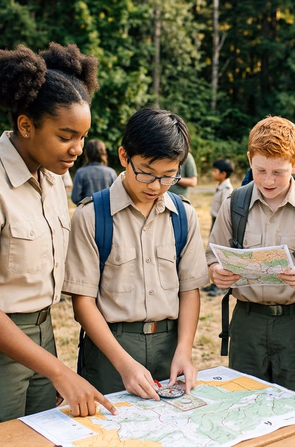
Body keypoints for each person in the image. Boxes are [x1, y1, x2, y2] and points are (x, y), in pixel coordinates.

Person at [0, 42, 116, 436]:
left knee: (38, 439)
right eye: (66, 136)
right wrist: (61, 373)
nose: (78, 150)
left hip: (39, 336)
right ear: (26, 125)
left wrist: (50, 363)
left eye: (83, 136)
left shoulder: (52, 177)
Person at [64, 108, 208, 398]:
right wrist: (124, 364)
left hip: (169, 346)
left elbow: (190, 290)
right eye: (146, 173)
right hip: (110, 351)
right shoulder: (91, 216)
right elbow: (83, 303)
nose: (156, 186)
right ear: (124, 156)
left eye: (169, 176)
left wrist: (184, 351)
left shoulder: (183, 215)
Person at [206, 116, 295, 398]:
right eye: (260, 170)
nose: (268, 180)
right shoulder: (235, 204)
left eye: (278, 172)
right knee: (243, 402)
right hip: (247, 321)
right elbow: (212, 258)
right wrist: (216, 271)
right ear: (249, 159)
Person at [201, 159, 235, 296]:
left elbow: (225, 209)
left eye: (215, 171)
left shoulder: (226, 189)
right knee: (213, 250)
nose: (212, 173)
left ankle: (220, 286)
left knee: (220, 253)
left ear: (223, 174)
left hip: (220, 222)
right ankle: (214, 282)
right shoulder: (220, 185)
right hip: (214, 220)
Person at [70, 139, 117, 205]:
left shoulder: (80, 173)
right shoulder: (111, 173)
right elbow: (116, 196)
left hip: (85, 213)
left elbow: (75, 198)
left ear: (87, 154)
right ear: (103, 153)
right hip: (107, 213)